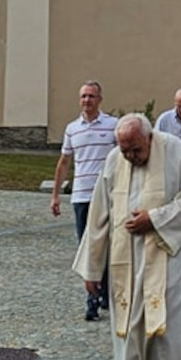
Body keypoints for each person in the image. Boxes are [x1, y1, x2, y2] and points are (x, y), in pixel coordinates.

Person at [72, 114, 181, 360]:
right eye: (125, 150)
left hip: (167, 262)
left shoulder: (173, 151)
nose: (130, 156)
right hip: (125, 265)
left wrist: (155, 219)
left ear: (150, 138)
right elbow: (99, 215)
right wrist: (92, 267)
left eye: (136, 150)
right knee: (129, 337)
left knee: (163, 336)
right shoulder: (115, 160)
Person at [51, 80, 118, 321]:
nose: (87, 100)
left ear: (100, 99)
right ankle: (92, 298)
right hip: (81, 195)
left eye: (91, 96)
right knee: (87, 248)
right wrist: (56, 194)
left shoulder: (112, 126)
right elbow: (64, 162)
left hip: (107, 196)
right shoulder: (72, 129)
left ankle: (107, 295)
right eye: (83, 96)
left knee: (110, 247)